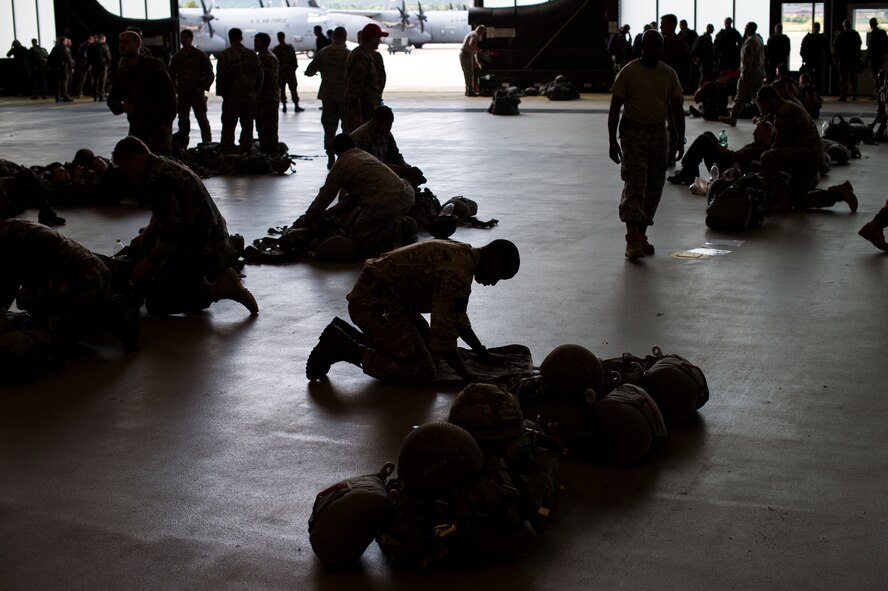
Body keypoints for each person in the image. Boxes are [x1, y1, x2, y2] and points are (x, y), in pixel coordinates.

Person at [305, 238, 520, 384]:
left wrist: (481, 353)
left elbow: (458, 318)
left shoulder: (464, 256)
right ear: (492, 261)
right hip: (372, 304)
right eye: (498, 276)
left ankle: (346, 334)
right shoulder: (457, 273)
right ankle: (345, 348)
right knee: (424, 371)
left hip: (389, 302)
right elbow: (443, 335)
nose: (494, 283)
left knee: (428, 353)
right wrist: (468, 377)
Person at [110, 136, 258, 317]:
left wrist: (151, 262)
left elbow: (172, 231)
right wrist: (147, 234)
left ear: (134, 158)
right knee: (144, 244)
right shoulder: (163, 164)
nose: (128, 173)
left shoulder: (157, 179)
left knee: (156, 302)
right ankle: (214, 264)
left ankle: (218, 289)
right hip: (210, 235)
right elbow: (165, 211)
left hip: (203, 246)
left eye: (126, 168)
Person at [0, 219, 135, 350]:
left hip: (82, 279)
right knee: (24, 299)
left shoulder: (4, 239)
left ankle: (105, 315)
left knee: (46, 338)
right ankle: (83, 309)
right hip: (82, 271)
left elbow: (8, 287)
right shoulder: (8, 227)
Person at [608, 29, 684, 259]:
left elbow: (676, 109)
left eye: (658, 47)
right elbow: (614, 109)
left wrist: (679, 138)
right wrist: (612, 141)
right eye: (650, 46)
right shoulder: (629, 72)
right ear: (642, 47)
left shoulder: (668, 74)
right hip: (634, 135)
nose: (654, 51)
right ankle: (632, 240)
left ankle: (641, 234)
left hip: (659, 136)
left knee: (654, 188)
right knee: (635, 185)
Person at [294, 133, 415, 252]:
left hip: (385, 199)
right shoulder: (363, 155)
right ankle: (398, 221)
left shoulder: (342, 164)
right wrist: (328, 213)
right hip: (406, 194)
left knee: (357, 233)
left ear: (336, 152)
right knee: (366, 211)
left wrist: (307, 219)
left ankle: (396, 229)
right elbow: (352, 198)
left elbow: (324, 197)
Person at [755, 85, 857, 213]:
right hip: (810, 158)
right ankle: (839, 193)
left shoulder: (784, 112)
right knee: (797, 200)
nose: (763, 110)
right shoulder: (787, 106)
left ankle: (777, 202)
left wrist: (764, 172)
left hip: (807, 157)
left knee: (766, 158)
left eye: (763, 105)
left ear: (772, 101)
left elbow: (779, 146)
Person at [107, 31, 177, 156]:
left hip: (157, 129)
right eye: (120, 42)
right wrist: (122, 107)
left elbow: (170, 98)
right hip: (136, 130)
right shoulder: (123, 73)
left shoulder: (154, 67)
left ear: (137, 44)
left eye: (126, 42)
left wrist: (166, 125)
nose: (122, 45)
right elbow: (112, 100)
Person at [668, 120, 773, 184]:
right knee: (708, 134)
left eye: (757, 131)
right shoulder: (757, 144)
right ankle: (690, 171)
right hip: (728, 159)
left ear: (767, 134)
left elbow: (742, 165)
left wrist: (724, 153)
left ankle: (688, 171)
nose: (754, 133)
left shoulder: (762, 152)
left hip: (726, 168)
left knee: (704, 139)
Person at [305, 26, 351, 170]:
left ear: (333, 37)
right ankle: (346, 157)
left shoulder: (323, 53)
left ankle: (330, 157)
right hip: (345, 96)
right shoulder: (349, 54)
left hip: (328, 96)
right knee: (347, 128)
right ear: (345, 37)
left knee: (329, 128)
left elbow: (309, 71)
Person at [349, 105, 424, 188]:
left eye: (391, 124)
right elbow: (362, 167)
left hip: (378, 172)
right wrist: (393, 168)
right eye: (387, 124)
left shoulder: (385, 133)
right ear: (376, 121)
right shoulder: (360, 138)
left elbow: (395, 154)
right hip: (361, 179)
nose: (389, 128)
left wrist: (406, 167)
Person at [216, 28, 262, 153]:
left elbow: (221, 77)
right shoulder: (252, 55)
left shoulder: (225, 55)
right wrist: (255, 93)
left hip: (232, 98)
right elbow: (260, 76)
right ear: (241, 38)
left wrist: (223, 94)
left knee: (228, 127)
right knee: (247, 127)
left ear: (229, 38)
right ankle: (246, 152)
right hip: (249, 98)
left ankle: (227, 153)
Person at [169, 29, 215, 147]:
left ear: (191, 39)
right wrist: (175, 89)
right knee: (183, 121)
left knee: (202, 120)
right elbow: (171, 74)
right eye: (182, 38)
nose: (183, 40)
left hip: (197, 93)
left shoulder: (199, 55)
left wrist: (203, 87)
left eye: (185, 37)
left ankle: (207, 144)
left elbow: (209, 72)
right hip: (183, 94)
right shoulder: (177, 56)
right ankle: (182, 145)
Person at [344, 23, 388, 131]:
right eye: (378, 38)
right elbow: (354, 88)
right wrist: (356, 115)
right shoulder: (360, 57)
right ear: (372, 38)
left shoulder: (368, 55)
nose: (380, 41)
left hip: (369, 109)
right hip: (362, 112)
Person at [720, 22, 766, 127]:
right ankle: (766, 115)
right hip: (758, 73)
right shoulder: (758, 39)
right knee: (758, 96)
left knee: (740, 95)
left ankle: (733, 117)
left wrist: (743, 72)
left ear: (748, 29)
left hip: (749, 74)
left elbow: (747, 60)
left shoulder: (750, 42)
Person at [255, 33, 280, 156]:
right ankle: (267, 154)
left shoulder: (267, 58)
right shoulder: (262, 56)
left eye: (258, 41)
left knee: (269, 130)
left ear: (265, 43)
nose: (255, 43)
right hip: (264, 99)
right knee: (262, 129)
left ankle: (272, 155)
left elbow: (265, 80)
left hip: (268, 99)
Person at [660, 14, 692, 93]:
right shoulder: (660, 43)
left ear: (672, 25)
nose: (660, 27)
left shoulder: (680, 45)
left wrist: (681, 85)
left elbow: (686, 68)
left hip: (674, 84)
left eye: (663, 24)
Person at [273, 31, 304, 113]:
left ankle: (284, 106)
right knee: (293, 89)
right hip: (290, 73)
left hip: (281, 74)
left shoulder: (276, 49)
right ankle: (296, 106)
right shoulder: (289, 48)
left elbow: (275, 63)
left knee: (282, 91)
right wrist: (292, 70)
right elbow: (294, 60)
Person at [834, 19, 862, 101]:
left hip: (844, 60)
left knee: (844, 79)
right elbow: (859, 45)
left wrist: (836, 59)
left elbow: (835, 48)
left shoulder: (840, 35)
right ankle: (854, 95)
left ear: (844, 26)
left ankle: (843, 96)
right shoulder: (855, 34)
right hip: (853, 60)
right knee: (853, 78)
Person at [800, 22, 830, 91]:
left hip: (810, 61)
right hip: (818, 61)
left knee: (810, 77)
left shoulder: (808, 37)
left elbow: (802, 50)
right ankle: (817, 93)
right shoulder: (822, 38)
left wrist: (804, 58)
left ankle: (810, 92)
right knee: (818, 78)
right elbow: (827, 50)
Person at [460, 25, 487, 96]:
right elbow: (471, 44)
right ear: (480, 30)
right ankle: (470, 91)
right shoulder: (475, 35)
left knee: (467, 73)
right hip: (466, 54)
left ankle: (468, 90)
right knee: (469, 73)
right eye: (483, 32)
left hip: (465, 54)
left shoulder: (472, 33)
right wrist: (479, 50)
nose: (482, 34)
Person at [866, 18, 888, 98]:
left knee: (875, 77)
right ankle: (880, 93)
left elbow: (870, 48)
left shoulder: (871, 34)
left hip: (874, 59)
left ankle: (878, 93)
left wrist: (866, 60)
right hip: (880, 58)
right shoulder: (882, 33)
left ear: (870, 25)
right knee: (880, 76)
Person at [48, 36, 74, 102]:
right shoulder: (64, 48)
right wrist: (71, 66)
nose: (66, 42)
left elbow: (50, 57)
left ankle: (57, 96)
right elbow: (68, 58)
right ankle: (65, 96)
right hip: (63, 68)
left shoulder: (55, 48)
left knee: (57, 83)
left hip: (56, 68)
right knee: (64, 82)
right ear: (63, 41)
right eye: (65, 41)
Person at [87, 33, 111, 102]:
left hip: (94, 66)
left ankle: (94, 96)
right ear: (103, 38)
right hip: (102, 66)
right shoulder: (103, 45)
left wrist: (89, 64)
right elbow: (107, 55)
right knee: (102, 82)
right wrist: (108, 64)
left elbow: (88, 56)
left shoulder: (91, 45)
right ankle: (101, 96)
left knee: (95, 81)